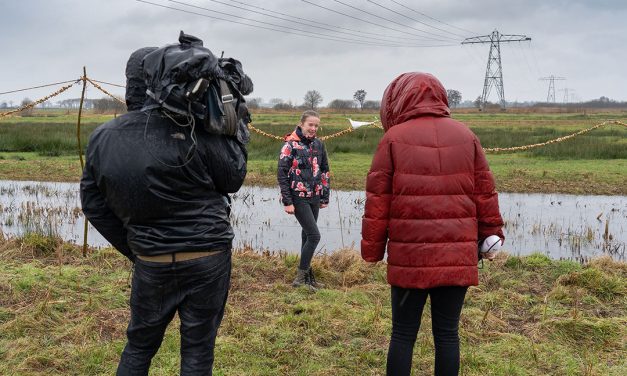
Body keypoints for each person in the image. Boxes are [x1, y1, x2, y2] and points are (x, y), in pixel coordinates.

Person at [80, 36, 249, 375]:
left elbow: (94, 205)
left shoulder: (104, 136)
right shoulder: (196, 129)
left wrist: (138, 247)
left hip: (151, 261)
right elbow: (233, 178)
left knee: (139, 346)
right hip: (207, 257)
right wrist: (236, 126)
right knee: (198, 349)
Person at [360, 72, 504, 376]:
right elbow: (485, 192)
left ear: (398, 99)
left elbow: (377, 201)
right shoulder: (467, 136)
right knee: (448, 334)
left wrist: (372, 251)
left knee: (403, 334)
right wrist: (492, 235)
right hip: (457, 256)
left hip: (410, 257)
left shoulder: (392, 139)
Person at [277, 110, 331, 290]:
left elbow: (324, 171)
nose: (313, 128)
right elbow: (282, 174)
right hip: (297, 197)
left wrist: (324, 196)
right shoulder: (290, 145)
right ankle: (300, 279)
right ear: (301, 124)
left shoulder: (319, 145)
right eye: (310, 124)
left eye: (316, 125)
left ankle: (308, 278)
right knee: (315, 236)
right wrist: (287, 201)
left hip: (315, 197)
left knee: (307, 235)